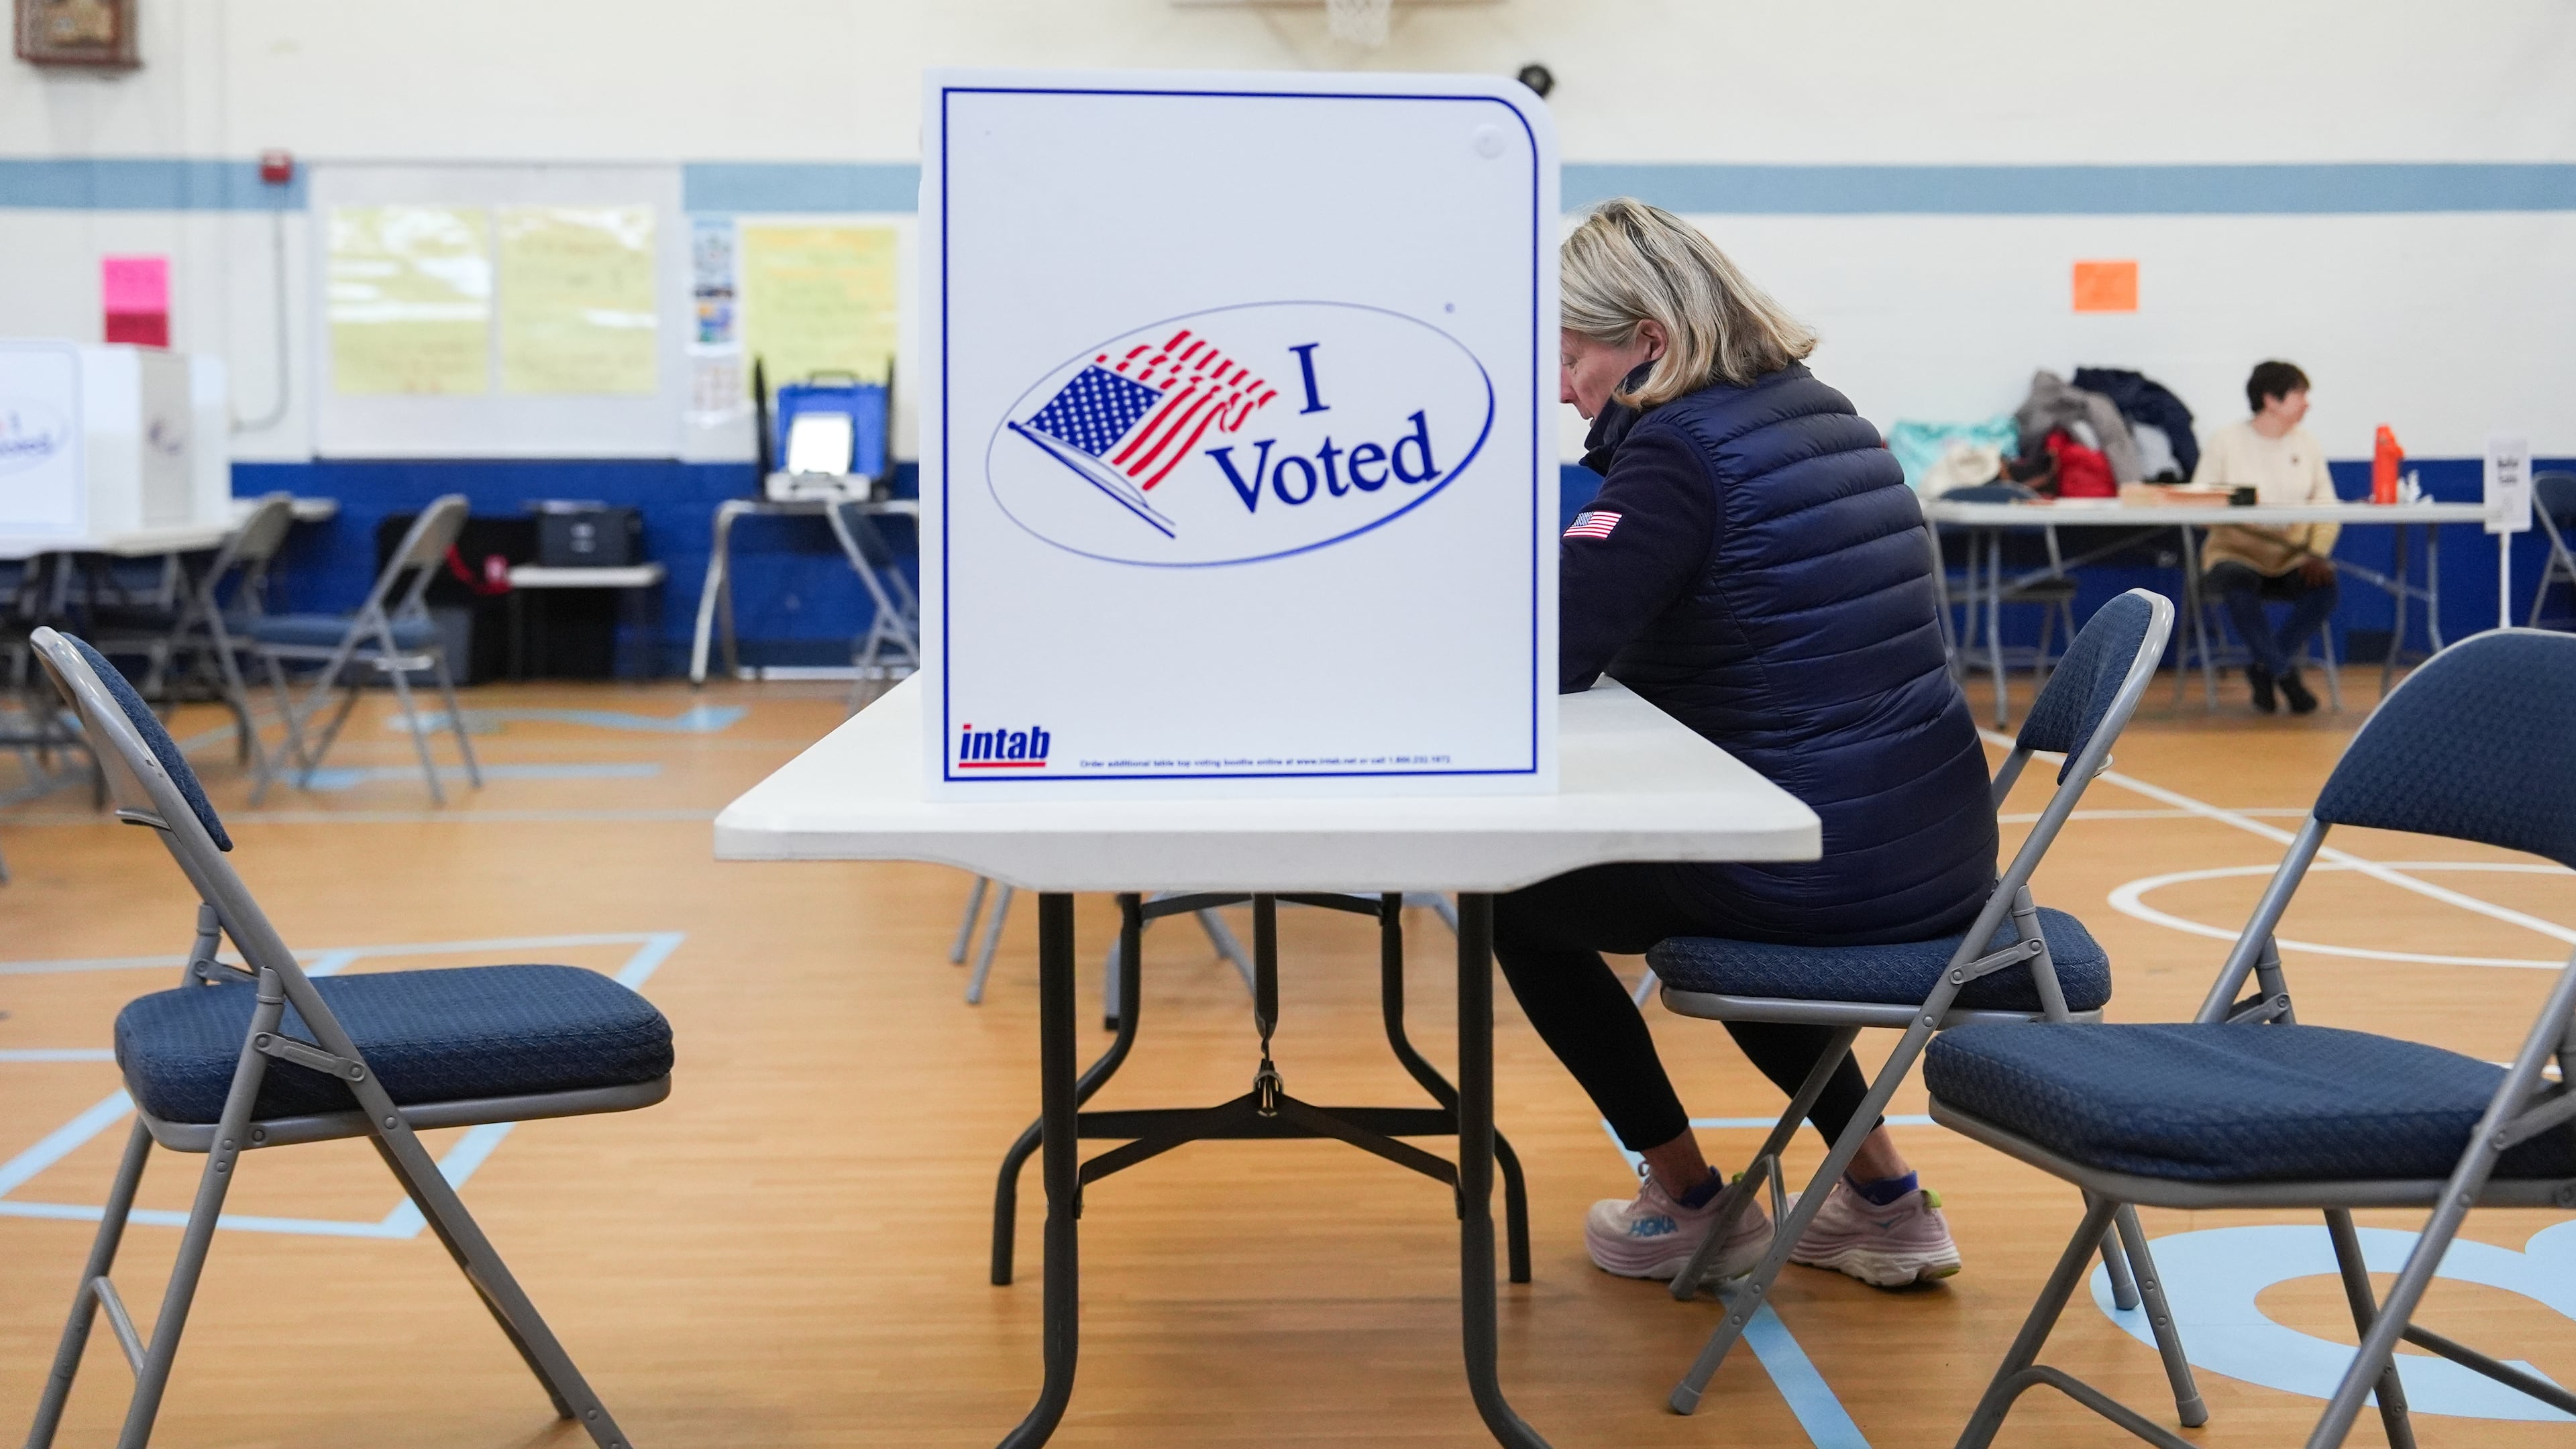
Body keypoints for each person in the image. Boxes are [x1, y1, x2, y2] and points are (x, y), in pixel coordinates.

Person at [1507, 199, 1996, 1290]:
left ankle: (1685, 1202)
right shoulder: (1815, 411)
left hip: (1822, 866)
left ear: (1652, 342)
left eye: (1573, 353)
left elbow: (1557, 646)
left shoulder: (1680, 452)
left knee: (1523, 903)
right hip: (1931, 852)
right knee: (1717, 879)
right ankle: (1882, 1196)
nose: (1559, 383)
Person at [2192, 362, 2341, 714]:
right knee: (2236, 582)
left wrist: (2316, 553)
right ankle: (2284, 673)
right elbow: (2198, 507)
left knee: (2326, 589)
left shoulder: (2308, 444)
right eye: (2300, 394)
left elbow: (2327, 508)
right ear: (2271, 400)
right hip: (2236, 553)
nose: (2307, 403)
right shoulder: (2225, 441)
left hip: (2292, 557)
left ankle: (2266, 666)